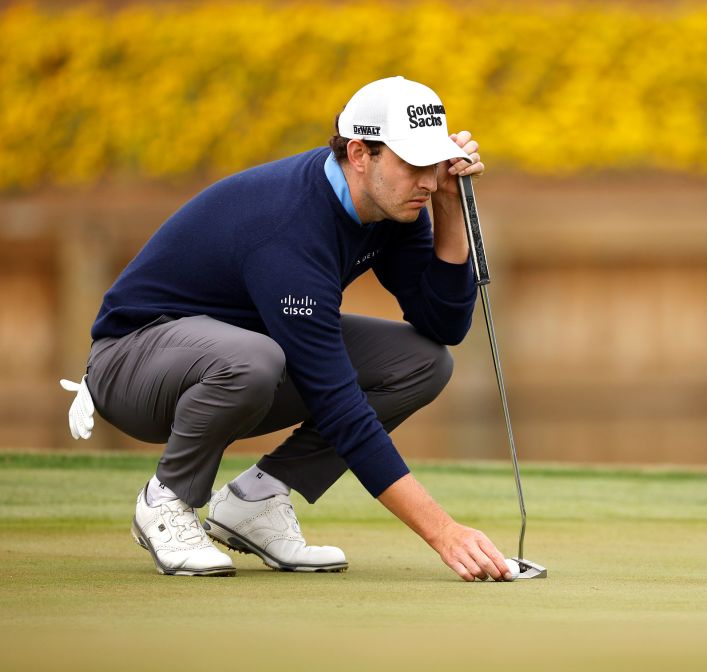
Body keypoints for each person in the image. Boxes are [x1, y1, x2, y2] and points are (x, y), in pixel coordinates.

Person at [59, 76, 514, 581]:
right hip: (131, 363)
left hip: (233, 355)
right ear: (360, 154)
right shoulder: (290, 224)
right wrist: (442, 531)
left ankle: (257, 499)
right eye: (413, 164)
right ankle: (167, 500)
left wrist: (450, 206)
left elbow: (443, 324)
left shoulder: (395, 206)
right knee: (256, 360)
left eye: (434, 164)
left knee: (422, 364)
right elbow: (337, 403)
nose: (427, 181)